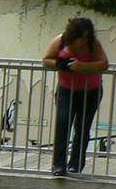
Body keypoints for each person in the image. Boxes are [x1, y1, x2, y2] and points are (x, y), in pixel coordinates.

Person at [42, 17, 110, 177]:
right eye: (82, 37)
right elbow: (46, 60)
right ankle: (59, 165)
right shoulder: (61, 41)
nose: (84, 40)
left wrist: (82, 66)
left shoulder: (93, 44)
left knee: (82, 128)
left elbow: (104, 63)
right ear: (74, 35)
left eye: (87, 36)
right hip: (66, 91)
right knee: (63, 124)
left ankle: (76, 164)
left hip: (91, 92)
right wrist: (61, 64)